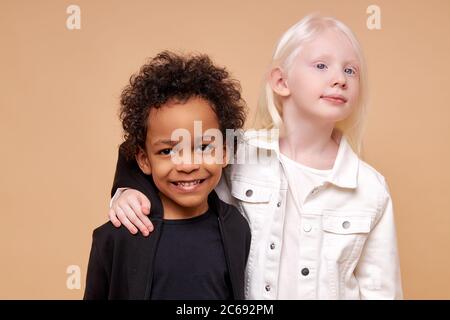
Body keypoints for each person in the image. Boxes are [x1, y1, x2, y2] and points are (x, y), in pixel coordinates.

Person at [107, 14, 403, 299]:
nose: (340, 78)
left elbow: (381, 290)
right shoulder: (237, 150)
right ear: (281, 81)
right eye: (322, 65)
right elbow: (158, 155)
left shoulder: (370, 189)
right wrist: (126, 188)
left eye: (350, 70)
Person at [84, 51, 251, 299]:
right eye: (167, 150)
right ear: (143, 160)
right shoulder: (116, 237)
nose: (187, 165)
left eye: (204, 147)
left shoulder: (236, 228)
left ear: (225, 151)